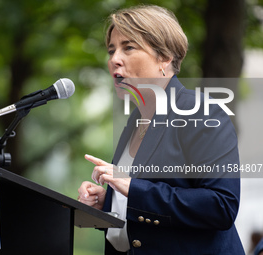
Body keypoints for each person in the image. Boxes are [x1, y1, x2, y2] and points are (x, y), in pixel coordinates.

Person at [77, 4, 244, 255]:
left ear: (164, 57)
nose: (114, 59)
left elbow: (221, 206)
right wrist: (108, 202)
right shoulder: (135, 122)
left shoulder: (201, 113)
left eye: (128, 47)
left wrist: (132, 189)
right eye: (111, 50)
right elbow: (139, 209)